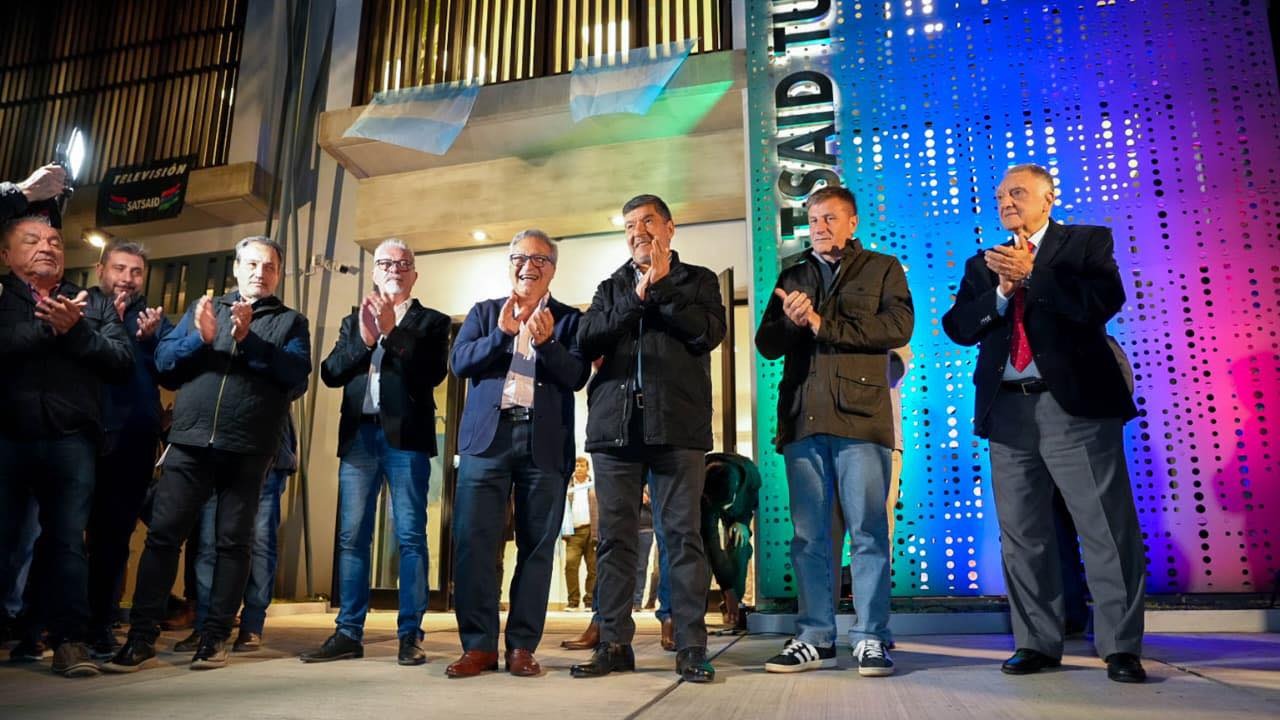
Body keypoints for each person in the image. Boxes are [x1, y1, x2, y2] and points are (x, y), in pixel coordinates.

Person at [941, 163, 1146, 683]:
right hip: (1007, 411)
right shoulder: (984, 263)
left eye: (1017, 192)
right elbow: (959, 327)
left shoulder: (1085, 243)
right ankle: (1035, 642)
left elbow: (1102, 302)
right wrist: (1002, 291)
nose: (1006, 202)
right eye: (1000, 196)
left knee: (1105, 528)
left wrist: (1034, 275)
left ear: (1048, 198)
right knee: (1023, 535)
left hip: (1074, 407)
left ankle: (1120, 646)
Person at [105, 236, 311, 673]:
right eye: (251, 264)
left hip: (248, 448)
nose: (260, 272)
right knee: (163, 537)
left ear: (278, 273)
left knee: (233, 544)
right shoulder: (205, 308)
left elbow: (296, 377)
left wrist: (248, 340)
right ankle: (141, 637)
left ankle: (214, 636)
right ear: (236, 268)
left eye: (269, 266)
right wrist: (200, 338)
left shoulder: (291, 322)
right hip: (190, 442)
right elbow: (166, 365)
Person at [755, 185, 914, 675]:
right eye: (813, 220)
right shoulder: (793, 273)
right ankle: (815, 637)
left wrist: (823, 324)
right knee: (810, 538)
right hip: (803, 419)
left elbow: (898, 328)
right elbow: (767, 344)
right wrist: (790, 322)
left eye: (829, 218)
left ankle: (871, 637)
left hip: (862, 420)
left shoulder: (882, 268)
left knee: (868, 532)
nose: (820, 227)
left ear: (852, 222)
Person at [572, 194, 726, 683]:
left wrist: (661, 288)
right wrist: (637, 297)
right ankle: (614, 642)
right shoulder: (610, 287)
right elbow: (587, 339)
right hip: (614, 433)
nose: (638, 231)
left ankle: (690, 645)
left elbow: (708, 333)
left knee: (682, 538)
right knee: (615, 541)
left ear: (670, 228)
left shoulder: (698, 280)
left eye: (647, 222)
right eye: (629, 225)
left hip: (678, 430)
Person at [301, 238, 449, 666]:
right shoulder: (353, 321)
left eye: (403, 264)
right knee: (352, 537)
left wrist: (391, 332)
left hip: (407, 441)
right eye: (385, 263)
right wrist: (366, 339)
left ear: (414, 274)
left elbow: (432, 373)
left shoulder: (432, 321)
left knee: (410, 536)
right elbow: (330, 373)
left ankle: (410, 634)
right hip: (359, 439)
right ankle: (348, 632)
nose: (394, 270)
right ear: (374, 271)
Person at [446, 229, 588, 678]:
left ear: (552, 269)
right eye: (520, 258)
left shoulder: (570, 319)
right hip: (487, 441)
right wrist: (501, 335)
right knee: (474, 543)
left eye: (539, 259)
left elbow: (577, 375)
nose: (529, 266)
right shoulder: (485, 313)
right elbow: (459, 363)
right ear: (510, 265)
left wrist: (547, 344)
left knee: (537, 547)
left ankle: (522, 647)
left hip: (543, 442)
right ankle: (478, 646)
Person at [0, 214, 133, 677]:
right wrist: (47, 329)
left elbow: (121, 361)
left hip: (71, 439)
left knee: (67, 542)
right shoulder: (3, 298)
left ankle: (70, 642)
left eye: (55, 241)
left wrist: (76, 330)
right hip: (7, 435)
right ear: (6, 255)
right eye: (32, 240)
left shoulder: (90, 302)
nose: (47, 247)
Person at [84, 240, 173, 658]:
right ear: (100, 268)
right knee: (63, 532)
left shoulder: (153, 320)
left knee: (114, 538)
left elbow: (172, 373)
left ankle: (100, 625)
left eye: (136, 271)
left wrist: (154, 342)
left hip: (134, 439)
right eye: (119, 268)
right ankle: (48, 622)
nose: (127, 278)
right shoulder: (79, 307)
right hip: (79, 435)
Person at [178, 417, 297, 654]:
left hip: (267, 449)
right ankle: (205, 626)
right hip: (218, 449)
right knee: (209, 544)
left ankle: (252, 624)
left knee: (260, 543)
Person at [701, 453, 760, 629]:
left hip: (739, 510)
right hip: (707, 503)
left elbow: (751, 504)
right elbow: (711, 541)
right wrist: (728, 589)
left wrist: (742, 522)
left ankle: (734, 605)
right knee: (703, 551)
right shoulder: (701, 480)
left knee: (740, 544)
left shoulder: (751, 475)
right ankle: (698, 608)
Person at [562, 457, 598, 611]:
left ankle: (589, 600)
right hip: (573, 533)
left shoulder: (594, 486)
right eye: (576, 465)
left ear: (587, 468)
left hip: (592, 531)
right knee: (570, 565)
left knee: (593, 568)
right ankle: (573, 600)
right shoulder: (568, 486)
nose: (578, 468)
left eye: (582, 465)